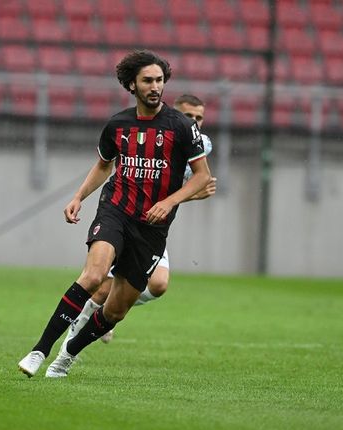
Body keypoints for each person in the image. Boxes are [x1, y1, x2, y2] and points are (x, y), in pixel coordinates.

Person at [18, 50, 212, 378]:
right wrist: (79, 196)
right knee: (93, 275)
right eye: (147, 80)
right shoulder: (118, 124)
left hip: (152, 228)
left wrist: (169, 202)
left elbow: (203, 177)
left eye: (159, 80)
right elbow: (103, 165)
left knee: (116, 310)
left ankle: (66, 355)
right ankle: (40, 350)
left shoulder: (181, 127)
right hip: (116, 212)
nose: (155, 86)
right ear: (131, 85)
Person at [71, 93, 217, 345]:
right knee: (104, 285)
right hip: (128, 218)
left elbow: (186, 186)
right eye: (188, 116)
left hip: (154, 225)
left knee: (159, 285)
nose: (193, 122)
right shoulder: (161, 135)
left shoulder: (201, 145)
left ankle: (105, 312)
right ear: (174, 113)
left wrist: (189, 196)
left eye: (199, 118)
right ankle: (79, 329)